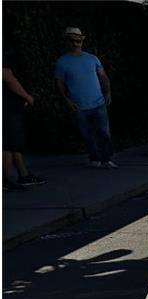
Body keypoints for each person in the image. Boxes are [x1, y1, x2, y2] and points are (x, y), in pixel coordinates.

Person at [54, 27, 117, 169]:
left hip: (98, 102)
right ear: (67, 42)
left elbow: (103, 76)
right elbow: (59, 83)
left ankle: (106, 159)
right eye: (72, 41)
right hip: (79, 106)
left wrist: (108, 92)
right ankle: (95, 158)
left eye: (78, 41)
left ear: (82, 41)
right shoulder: (62, 62)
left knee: (104, 133)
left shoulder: (92, 58)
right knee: (87, 135)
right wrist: (67, 100)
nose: (76, 44)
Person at [3, 55, 46, 190]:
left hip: (10, 107)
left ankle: (23, 174)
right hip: (9, 108)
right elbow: (7, 77)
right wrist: (27, 97)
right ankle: (5, 180)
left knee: (14, 144)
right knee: (9, 145)